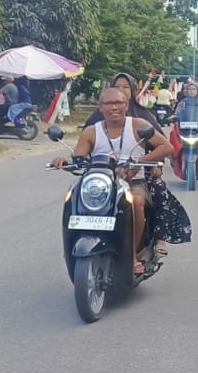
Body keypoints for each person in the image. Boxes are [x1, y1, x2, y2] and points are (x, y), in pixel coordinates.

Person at [51, 87, 174, 275]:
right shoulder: (91, 132)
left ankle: (132, 255)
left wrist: (140, 162)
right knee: (73, 199)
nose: (114, 107)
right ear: (100, 107)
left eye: (118, 103)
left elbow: (166, 147)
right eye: (108, 103)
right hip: (100, 184)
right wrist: (64, 161)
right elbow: (78, 157)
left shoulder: (138, 125)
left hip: (134, 182)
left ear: (126, 106)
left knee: (137, 202)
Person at [86, 72, 161, 129]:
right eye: (117, 86)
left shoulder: (142, 115)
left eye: (125, 87)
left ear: (132, 90)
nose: (121, 90)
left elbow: (162, 145)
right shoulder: (100, 113)